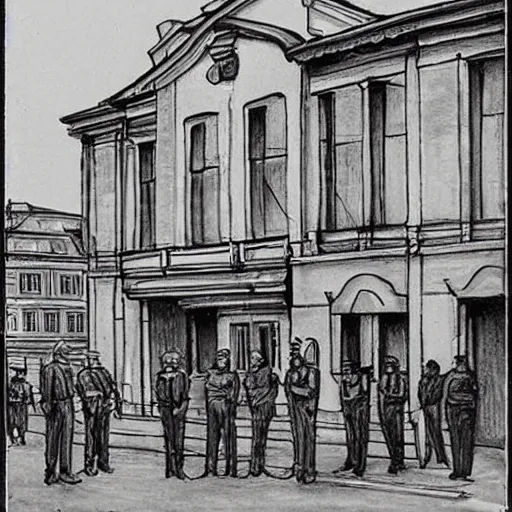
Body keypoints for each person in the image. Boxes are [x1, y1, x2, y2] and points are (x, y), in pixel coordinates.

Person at [40, 341, 82, 485]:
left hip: (68, 404)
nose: (68, 355)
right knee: (52, 439)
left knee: (67, 438)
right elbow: (46, 391)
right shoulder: (50, 368)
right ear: (59, 353)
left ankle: (65, 471)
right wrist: (48, 405)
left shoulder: (68, 368)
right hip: (56, 405)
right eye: (66, 353)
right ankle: (51, 472)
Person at [76, 350, 122, 477]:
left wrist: (114, 401)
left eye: (87, 359)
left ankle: (103, 462)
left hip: (104, 408)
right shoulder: (83, 374)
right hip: (91, 409)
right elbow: (83, 391)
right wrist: (97, 394)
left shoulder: (104, 372)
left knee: (103, 437)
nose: (85, 361)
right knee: (91, 437)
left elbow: (113, 388)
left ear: (93, 360)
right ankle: (89, 465)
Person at [284, 350, 320, 484]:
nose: (295, 358)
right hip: (295, 409)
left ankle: (309, 469)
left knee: (308, 439)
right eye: (292, 355)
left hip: (306, 409)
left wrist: (295, 389)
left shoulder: (311, 372)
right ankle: (299, 468)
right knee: (298, 439)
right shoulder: (290, 373)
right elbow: (287, 389)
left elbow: (311, 391)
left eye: (297, 355)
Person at [204, 348, 240, 477]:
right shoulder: (210, 374)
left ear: (228, 359)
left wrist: (231, 406)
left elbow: (234, 394)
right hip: (212, 405)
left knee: (228, 437)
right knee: (212, 437)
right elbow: (206, 391)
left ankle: (230, 469)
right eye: (219, 356)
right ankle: (210, 468)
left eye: (223, 357)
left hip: (226, 406)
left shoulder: (232, 375)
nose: (220, 359)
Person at [155, 350, 190, 479]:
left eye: (172, 361)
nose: (169, 363)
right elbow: (158, 392)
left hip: (177, 409)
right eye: (167, 361)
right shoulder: (160, 376)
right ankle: (170, 469)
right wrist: (161, 407)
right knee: (168, 441)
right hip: (165, 409)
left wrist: (180, 410)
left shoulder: (181, 376)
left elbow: (185, 396)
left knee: (178, 441)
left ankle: (179, 469)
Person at [243, 350, 279, 476]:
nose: (252, 360)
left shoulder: (267, 372)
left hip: (264, 407)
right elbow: (249, 388)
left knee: (259, 437)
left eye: (254, 358)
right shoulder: (250, 373)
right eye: (251, 357)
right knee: (257, 437)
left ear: (260, 361)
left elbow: (271, 390)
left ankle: (257, 465)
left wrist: (267, 402)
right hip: (256, 407)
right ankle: (255, 465)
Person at [335, 361, 372, 477]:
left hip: (359, 410)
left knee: (360, 437)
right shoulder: (343, 382)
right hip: (349, 411)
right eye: (344, 372)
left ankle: (360, 466)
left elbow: (364, 395)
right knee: (350, 437)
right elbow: (343, 396)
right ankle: (351, 461)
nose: (346, 376)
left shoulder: (363, 379)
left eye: (348, 372)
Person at [444, 355, 478, 481]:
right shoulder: (452, 376)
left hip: (464, 411)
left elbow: (475, 392)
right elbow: (445, 396)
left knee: (465, 442)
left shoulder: (468, 376)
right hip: (456, 411)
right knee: (458, 442)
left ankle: (463, 472)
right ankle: (459, 471)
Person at [378, 355, 407, 474]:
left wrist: (389, 396)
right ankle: (394, 459)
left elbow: (401, 395)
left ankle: (398, 461)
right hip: (385, 411)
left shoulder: (400, 379)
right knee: (389, 436)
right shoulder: (383, 378)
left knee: (397, 436)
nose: (388, 368)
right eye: (386, 365)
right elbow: (381, 393)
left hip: (396, 411)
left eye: (390, 365)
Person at [418, 359, 449, 469]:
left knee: (436, 431)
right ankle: (427, 457)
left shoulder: (439, 380)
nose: (425, 370)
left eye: (427, 368)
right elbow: (420, 392)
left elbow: (437, 394)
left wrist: (428, 400)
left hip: (434, 407)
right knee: (427, 433)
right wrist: (422, 403)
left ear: (433, 370)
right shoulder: (423, 380)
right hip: (426, 407)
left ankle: (441, 457)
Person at [7, 362, 35, 446]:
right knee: (14, 422)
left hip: (20, 405)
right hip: (14, 405)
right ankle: (15, 439)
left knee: (19, 422)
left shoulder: (24, 384)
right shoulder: (12, 384)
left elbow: (28, 395)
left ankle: (20, 438)